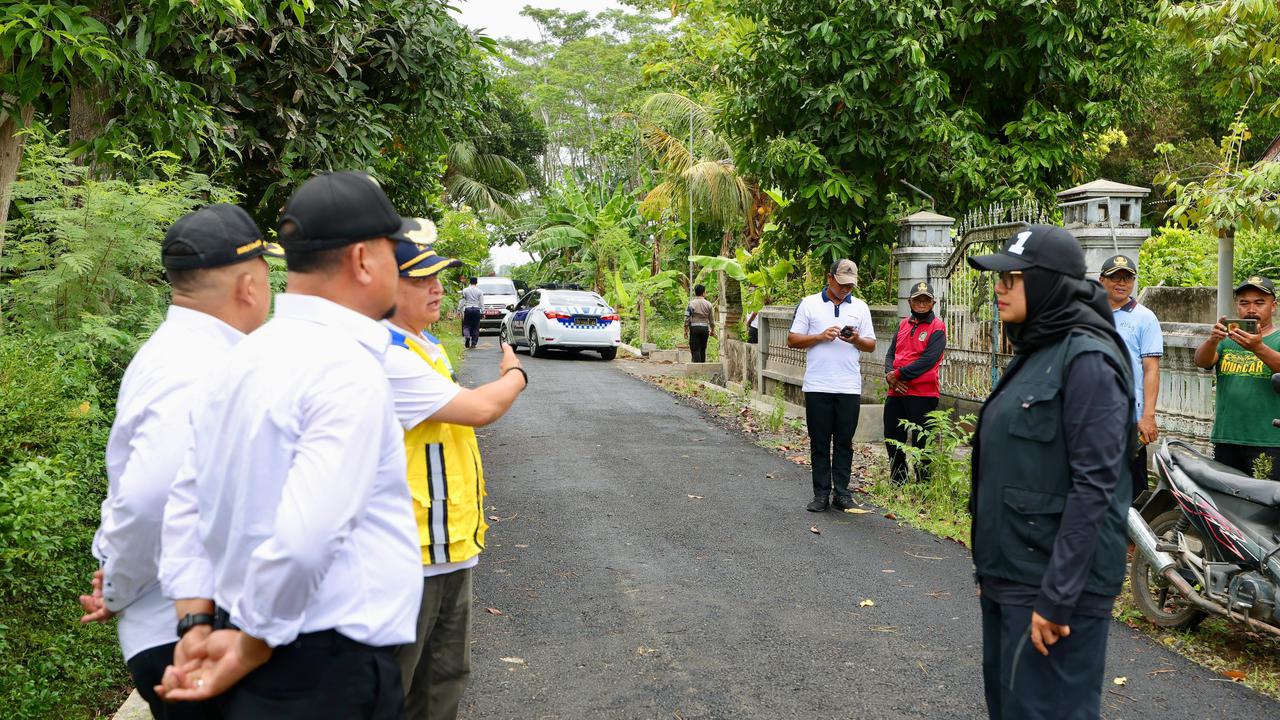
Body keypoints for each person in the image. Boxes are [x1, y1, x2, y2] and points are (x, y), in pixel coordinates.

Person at [156, 171, 423, 719]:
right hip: (323, 670)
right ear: (363, 260)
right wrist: (248, 649)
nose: (401, 266)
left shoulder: (242, 359)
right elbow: (306, 539)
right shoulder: (346, 370)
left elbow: (185, 502)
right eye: (395, 250)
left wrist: (195, 623)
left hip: (248, 643)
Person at [80, 204, 278, 720]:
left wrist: (118, 572)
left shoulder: (171, 352)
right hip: (193, 636)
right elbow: (152, 499)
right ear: (249, 286)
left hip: (185, 627)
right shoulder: (202, 367)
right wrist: (120, 586)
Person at [967, 225, 1134, 720]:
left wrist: (1058, 597)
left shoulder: (1088, 360)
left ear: (1046, 284)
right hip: (1013, 574)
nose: (999, 288)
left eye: (1012, 278)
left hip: (1053, 587)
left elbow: (1096, 486)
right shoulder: (1039, 349)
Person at [383, 234, 527, 719]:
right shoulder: (389, 357)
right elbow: (482, 408)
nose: (436, 288)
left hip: (448, 546)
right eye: (419, 278)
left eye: (437, 277)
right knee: (396, 686)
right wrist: (514, 374)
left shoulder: (421, 345)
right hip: (408, 552)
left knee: (443, 679)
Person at [787, 259, 877, 512]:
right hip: (817, 385)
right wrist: (819, 336)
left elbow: (871, 345)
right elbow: (792, 339)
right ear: (829, 278)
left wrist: (856, 339)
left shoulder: (860, 307)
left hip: (848, 386)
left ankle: (842, 493)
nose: (846, 289)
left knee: (844, 442)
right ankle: (820, 494)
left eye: (850, 286)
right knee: (819, 441)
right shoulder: (809, 304)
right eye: (841, 284)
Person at [1193, 275, 1280, 480]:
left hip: (1268, 441)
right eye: (1244, 303)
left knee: (1265, 505)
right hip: (1227, 437)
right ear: (1236, 306)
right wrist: (1213, 340)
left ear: (1273, 306)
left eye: (1260, 303)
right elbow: (1202, 361)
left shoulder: (1277, 339)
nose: (1251, 309)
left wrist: (1258, 347)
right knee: (1226, 502)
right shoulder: (1227, 340)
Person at [1098, 254, 1164, 501]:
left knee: (1132, 493)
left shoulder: (1145, 318)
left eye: (1127, 278)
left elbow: (1151, 369)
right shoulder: (1090, 315)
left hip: (1129, 420)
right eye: (1115, 277)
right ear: (1102, 280)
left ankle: (1131, 541)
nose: (1121, 283)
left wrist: (1148, 416)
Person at [882, 281, 946, 485]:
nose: (921, 303)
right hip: (897, 392)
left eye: (925, 300)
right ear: (909, 302)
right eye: (917, 300)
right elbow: (891, 353)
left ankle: (923, 483)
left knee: (922, 441)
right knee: (893, 437)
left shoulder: (938, 327)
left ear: (933, 302)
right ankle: (898, 480)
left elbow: (928, 360)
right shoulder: (903, 324)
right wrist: (889, 375)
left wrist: (898, 374)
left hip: (923, 394)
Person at [685, 284, 716, 362]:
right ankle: (703, 366)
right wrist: (712, 330)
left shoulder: (691, 304)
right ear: (703, 293)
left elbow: (687, 317)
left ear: (695, 293)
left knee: (695, 349)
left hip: (694, 328)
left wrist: (685, 330)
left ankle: (697, 368)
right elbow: (711, 319)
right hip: (704, 328)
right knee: (703, 348)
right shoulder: (709, 304)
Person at [460, 276, 484, 349]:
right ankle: (473, 344)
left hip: (468, 309)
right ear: (476, 282)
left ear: (469, 282)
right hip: (476, 309)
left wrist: (459, 310)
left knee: (466, 326)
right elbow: (481, 303)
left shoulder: (465, 290)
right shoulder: (480, 291)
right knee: (476, 327)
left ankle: (467, 336)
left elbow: (462, 301)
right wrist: (482, 312)